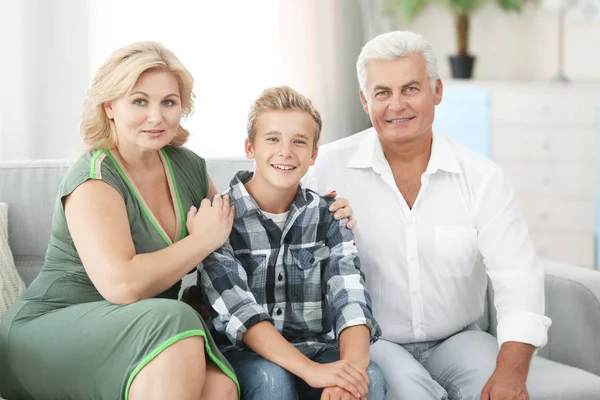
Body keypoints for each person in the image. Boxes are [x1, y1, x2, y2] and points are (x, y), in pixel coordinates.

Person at [305, 31, 552, 400]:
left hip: (460, 338)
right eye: (382, 93)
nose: (397, 105)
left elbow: (518, 278)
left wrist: (511, 372)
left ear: (437, 91)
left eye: (410, 89)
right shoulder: (324, 170)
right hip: (375, 341)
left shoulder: (481, 178)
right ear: (364, 100)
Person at [199, 86, 386, 400]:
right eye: (272, 139)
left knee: (368, 378)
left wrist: (348, 375)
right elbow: (241, 313)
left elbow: (350, 298)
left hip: (316, 349)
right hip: (244, 354)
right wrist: (311, 372)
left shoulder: (329, 217)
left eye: (299, 141)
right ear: (250, 147)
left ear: (313, 154)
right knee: (273, 382)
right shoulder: (220, 218)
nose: (286, 151)